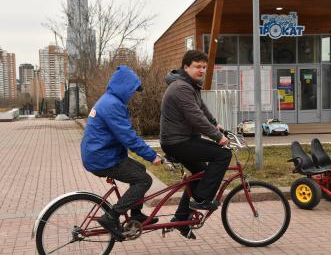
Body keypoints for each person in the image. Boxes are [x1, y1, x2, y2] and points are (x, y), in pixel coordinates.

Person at [81, 65, 162, 241]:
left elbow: (123, 135)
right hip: (103, 159)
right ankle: (111, 217)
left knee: (139, 169)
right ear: (124, 86)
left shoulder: (109, 100)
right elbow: (128, 137)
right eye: (132, 90)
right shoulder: (112, 105)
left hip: (102, 154)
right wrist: (152, 156)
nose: (133, 94)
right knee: (144, 180)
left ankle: (136, 215)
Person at [160, 50, 232, 239]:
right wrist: (218, 137)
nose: (201, 70)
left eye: (204, 67)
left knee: (200, 174)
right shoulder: (181, 88)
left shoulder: (190, 85)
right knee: (223, 155)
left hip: (183, 139)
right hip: (178, 142)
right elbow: (195, 117)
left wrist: (216, 124)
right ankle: (200, 200)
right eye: (197, 66)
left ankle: (180, 218)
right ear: (186, 67)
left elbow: (202, 110)